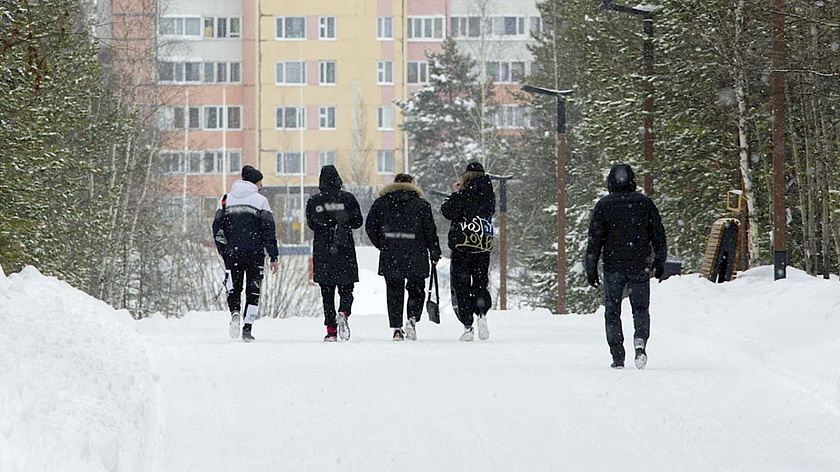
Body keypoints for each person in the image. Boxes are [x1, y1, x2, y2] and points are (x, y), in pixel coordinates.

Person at [584, 163, 667, 369]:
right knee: (640, 308)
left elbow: (595, 239)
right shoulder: (645, 203)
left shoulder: (604, 205)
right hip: (639, 263)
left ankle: (617, 354)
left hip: (613, 265)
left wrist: (591, 266)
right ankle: (640, 342)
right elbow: (658, 233)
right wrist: (660, 259)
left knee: (612, 310)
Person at [365, 173, 441, 341]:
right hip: (416, 253)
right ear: (412, 184)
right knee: (416, 289)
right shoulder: (421, 205)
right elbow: (430, 230)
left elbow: (370, 227)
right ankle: (412, 319)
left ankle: (397, 328)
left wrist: (383, 244)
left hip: (391, 253)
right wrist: (434, 251)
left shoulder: (381, 203)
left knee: (394, 290)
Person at [212, 165, 279, 342]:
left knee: (233, 286)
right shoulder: (261, 201)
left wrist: (224, 250)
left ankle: (234, 311)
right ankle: (247, 327)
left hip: (232, 253)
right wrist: (273, 255)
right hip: (255, 253)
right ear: (255, 182)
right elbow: (268, 230)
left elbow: (217, 229)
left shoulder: (225, 200)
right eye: (260, 181)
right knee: (253, 290)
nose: (261, 184)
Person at [306, 165, 363, 342]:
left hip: (323, 251)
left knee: (327, 291)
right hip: (344, 249)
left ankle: (331, 330)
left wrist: (325, 224)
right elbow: (358, 222)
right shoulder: (347, 198)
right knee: (347, 288)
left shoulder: (314, 201)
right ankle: (344, 311)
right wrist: (342, 221)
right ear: (338, 179)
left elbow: (311, 224)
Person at [441, 162, 496, 341]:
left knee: (461, 285)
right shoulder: (489, 195)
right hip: (482, 246)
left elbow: (447, 211)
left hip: (462, 246)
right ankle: (481, 313)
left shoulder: (463, 194)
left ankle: (467, 325)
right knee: (480, 282)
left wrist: (455, 193)